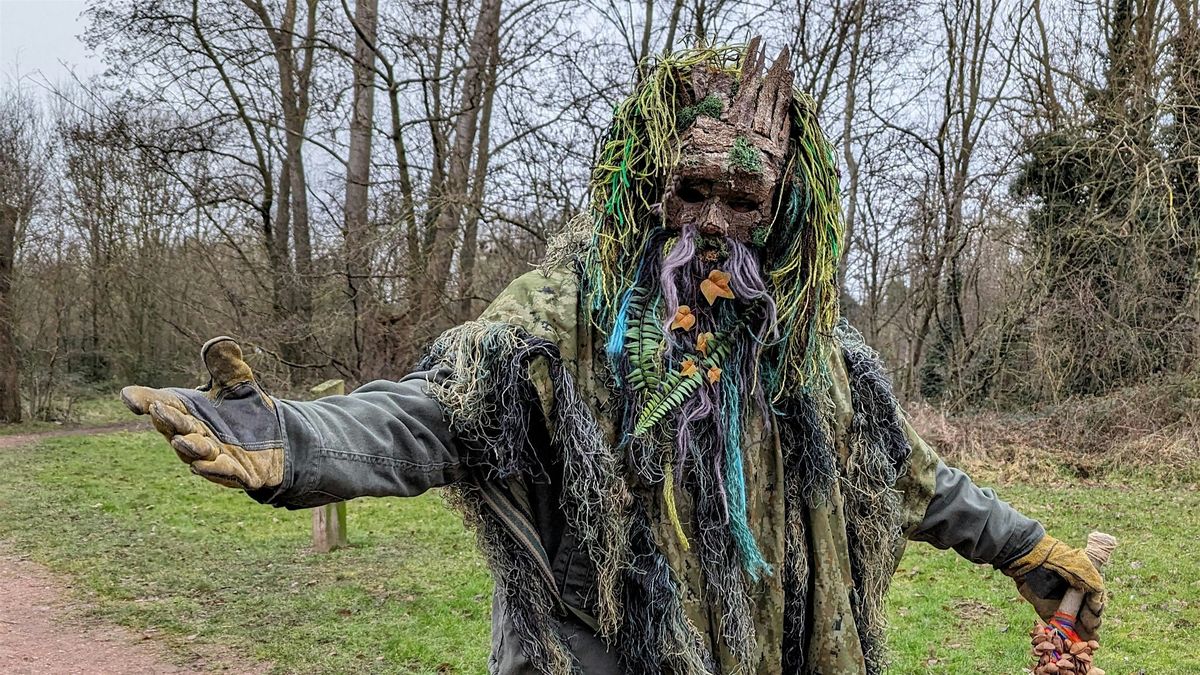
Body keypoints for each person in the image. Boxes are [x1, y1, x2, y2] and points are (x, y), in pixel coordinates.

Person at [120, 39, 1106, 675]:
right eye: (689, 190)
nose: (713, 222)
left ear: (783, 214)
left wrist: (1023, 547)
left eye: (744, 199)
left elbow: (908, 477)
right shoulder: (556, 335)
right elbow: (423, 413)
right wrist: (286, 438)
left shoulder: (814, 358)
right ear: (644, 189)